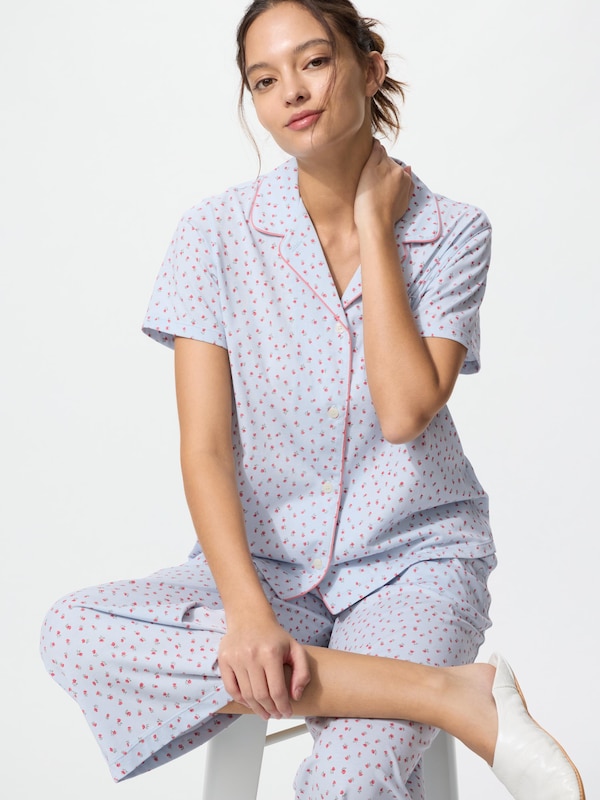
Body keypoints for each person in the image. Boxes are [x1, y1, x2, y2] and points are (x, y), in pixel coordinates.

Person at [40, 1, 585, 798]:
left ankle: (419, 689)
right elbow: (206, 449)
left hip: (413, 565)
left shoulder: (454, 232)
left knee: (350, 779)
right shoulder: (213, 235)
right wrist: (247, 615)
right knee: (74, 632)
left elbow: (404, 412)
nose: (291, 91)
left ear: (370, 69)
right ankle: (449, 694)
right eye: (264, 80)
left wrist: (374, 226)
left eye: (315, 61)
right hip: (266, 567)